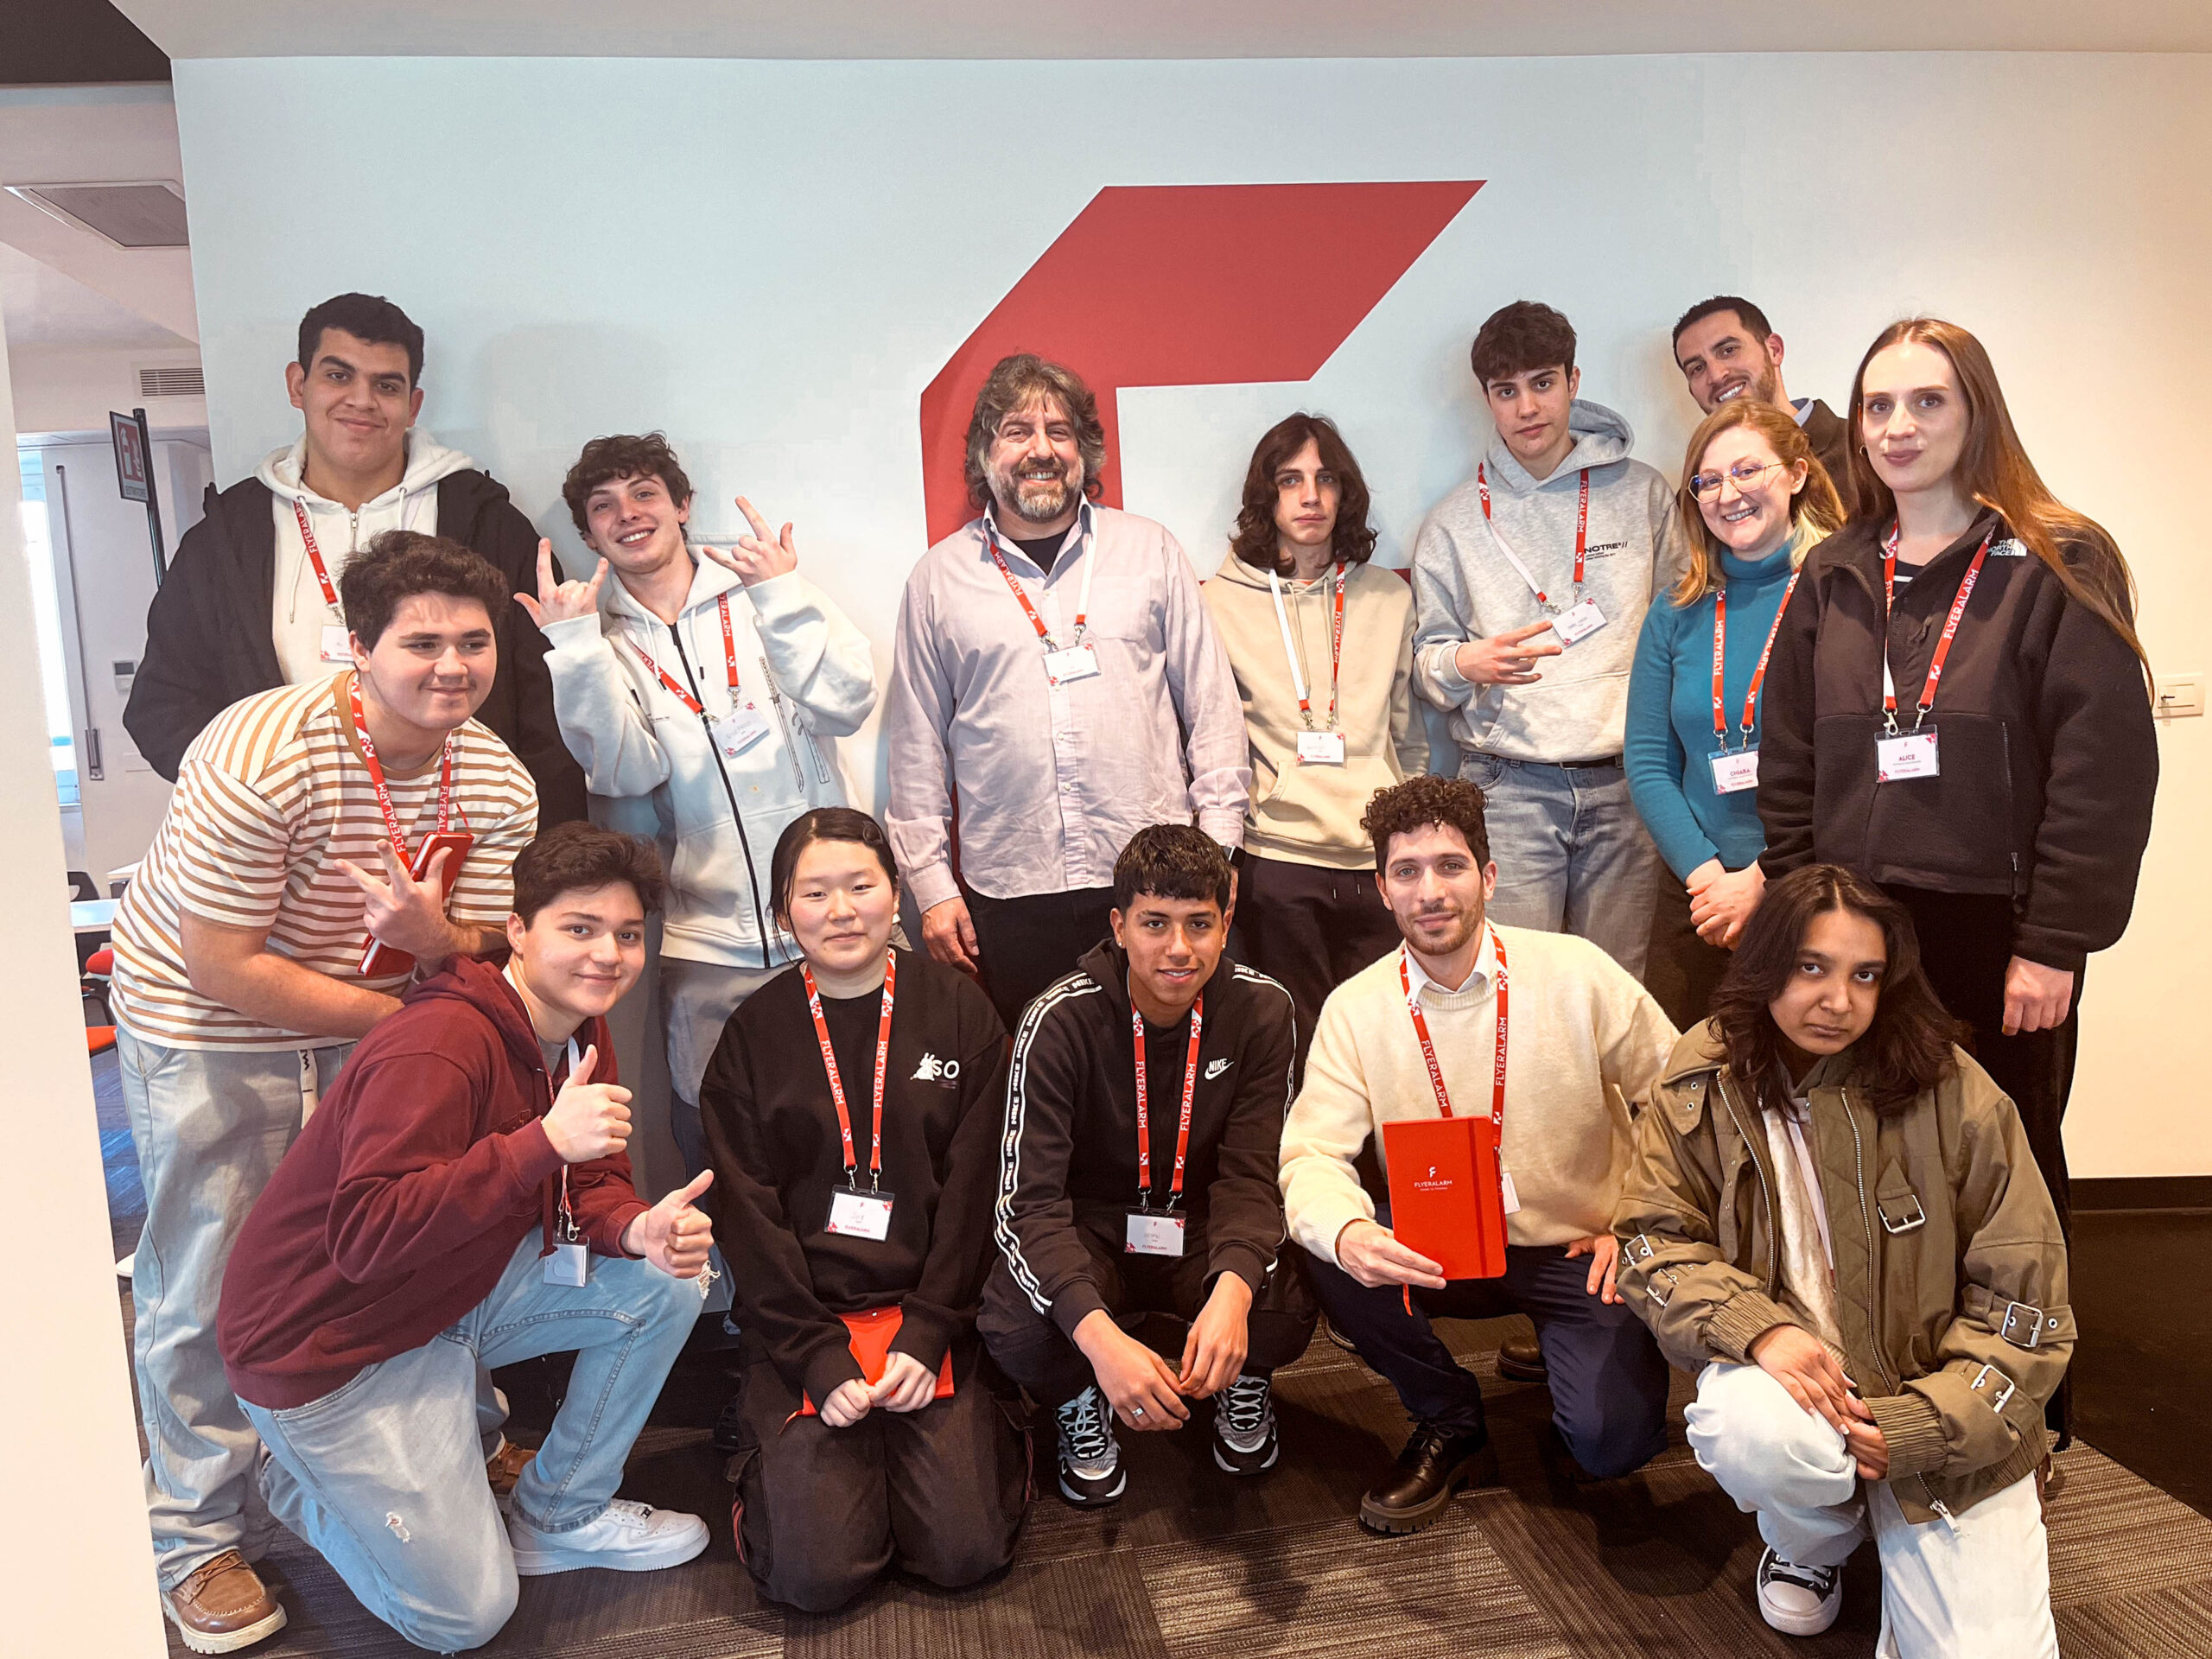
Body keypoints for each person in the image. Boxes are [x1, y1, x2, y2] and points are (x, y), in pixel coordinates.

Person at [106, 533, 541, 1651]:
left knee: (408, 1239)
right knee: (208, 1275)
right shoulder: (264, 752)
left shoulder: (495, 777)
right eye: (422, 642)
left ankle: (452, 1440)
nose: (452, 665)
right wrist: (413, 1032)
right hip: (212, 1027)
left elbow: (487, 943)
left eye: (474, 641)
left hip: (378, 1021)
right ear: (356, 646)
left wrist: (436, 953)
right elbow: (223, 964)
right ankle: (195, 1536)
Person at [218, 823, 715, 1653]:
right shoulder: (441, 1042)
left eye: (628, 935)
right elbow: (366, 1237)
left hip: (444, 1298)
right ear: (518, 931)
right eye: (580, 928)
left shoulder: (577, 1028)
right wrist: (539, 1145)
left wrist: (638, 1229)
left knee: (672, 1279)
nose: (608, 955)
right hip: (327, 1347)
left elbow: (590, 1181)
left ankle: (559, 1516)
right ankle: (298, 1480)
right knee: (465, 1617)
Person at [1756, 317, 2158, 1252]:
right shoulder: (1833, 572)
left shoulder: (2058, 559)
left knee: (2006, 1168)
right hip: (1856, 925)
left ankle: (2025, 1350)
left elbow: (2101, 772)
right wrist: (1802, 915)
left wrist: (2053, 943)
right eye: (1878, 406)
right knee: (1867, 1160)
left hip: (1997, 929)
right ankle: (1892, 1344)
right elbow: (1788, 760)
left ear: (1977, 412)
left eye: (1927, 401)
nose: (1898, 426)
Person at [1613, 864, 2069, 1651]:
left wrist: (1930, 1425)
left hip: (1936, 1396)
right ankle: (1816, 1537)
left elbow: (2026, 1302)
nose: (1838, 1001)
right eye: (1811, 967)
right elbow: (1652, 1239)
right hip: (1802, 1388)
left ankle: (1930, 1504)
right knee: (1745, 1428)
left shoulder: (1954, 1088)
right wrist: (1756, 1328)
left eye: (1865, 975)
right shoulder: (1704, 1074)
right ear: (1765, 965)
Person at [1279, 775, 1677, 1535]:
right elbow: (1311, 1155)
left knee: (1610, 1446)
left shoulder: (1576, 971)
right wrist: (1348, 1231)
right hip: (1439, 1245)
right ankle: (1450, 1418)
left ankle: (1563, 1361)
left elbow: (1684, 1103)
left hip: (1577, 1246)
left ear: (1488, 877)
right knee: (1325, 1246)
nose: (1430, 891)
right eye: (1406, 872)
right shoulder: (1355, 1008)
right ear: (1383, 890)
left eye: (1450, 866)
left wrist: (1637, 1223)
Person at [702, 808, 1025, 1611]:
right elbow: (748, 1220)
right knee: (814, 1576)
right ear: (784, 914)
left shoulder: (961, 1012)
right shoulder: (751, 1037)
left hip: (931, 1315)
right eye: (814, 893)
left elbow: (977, 1195)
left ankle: (951, 1450)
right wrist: (814, 1354)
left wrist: (930, 1327)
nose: (841, 911)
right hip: (806, 1322)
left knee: (964, 1551)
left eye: (861, 886)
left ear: (896, 895)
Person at [526, 432, 878, 1171]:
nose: (628, 514)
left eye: (644, 493)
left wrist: (779, 597)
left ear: (682, 505)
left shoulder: (764, 589)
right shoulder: (597, 639)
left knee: (871, 1126)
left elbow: (845, 701)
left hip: (835, 915)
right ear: (588, 535)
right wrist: (576, 650)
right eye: (604, 506)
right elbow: (622, 772)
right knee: (724, 1148)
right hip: (706, 942)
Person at [886, 353, 1251, 1033]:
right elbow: (916, 748)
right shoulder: (937, 580)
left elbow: (1213, 712)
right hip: (1010, 891)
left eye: (1059, 432)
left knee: (1159, 1069)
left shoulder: (1151, 552)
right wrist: (932, 888)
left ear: (1084, 450)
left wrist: (1219, 852)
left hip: (1156, 883)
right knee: (1038, 1072)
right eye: (1017, 431)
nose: (1042, 450)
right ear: (985, 453)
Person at [124, 291, 585, 823]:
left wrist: (538, 841)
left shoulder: (488, 526)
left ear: (413, 405)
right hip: (286, 837)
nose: (362, 401)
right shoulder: (226, 538)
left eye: (386, 385)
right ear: (298, 385)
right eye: (339, 376)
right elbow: (164, 701)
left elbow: (549, 702)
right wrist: (244, 794)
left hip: (459, 830)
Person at [980, 824, 1316, 1506]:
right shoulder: (1058, 1019)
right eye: (1155, 923)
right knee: (1015, 1326)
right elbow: (1028, 1204)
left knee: (1284, 1305)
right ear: (1119, 926)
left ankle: (1238, 1375)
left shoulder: (1263, 1008)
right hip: (1094, 1228)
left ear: (1226, 925)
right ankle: (1081, 1396)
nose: (1179, 948)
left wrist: (1234, 1295)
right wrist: (1098, 1341)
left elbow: (1252, 1174)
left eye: (1200, 924)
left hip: (1199, 1224)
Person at [1411, 300, 1687, 979]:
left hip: (1630, 781)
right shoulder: (1452, 521)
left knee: (1616, 986)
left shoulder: (1643, 493)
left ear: (1573, 381)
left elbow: (1683, 624)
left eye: (1543, 383)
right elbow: (1427, 667)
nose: (1527, 407)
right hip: (1509, 787)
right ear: (1488, 400)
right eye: (1506, 391)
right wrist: (1466, 662)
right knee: (1520, 986)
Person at [1201, 412, 1425, 1081]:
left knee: (1388, 1049)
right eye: (1290, 480)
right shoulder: (1218, 602)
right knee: (1294, 1054)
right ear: (1265, 495)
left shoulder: (1387, 597)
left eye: (1326, 480)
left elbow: (1408, 734)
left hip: (1376, 859)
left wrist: (1411, 841)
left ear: (1345, 492)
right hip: (1280, 861)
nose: (1310, 497)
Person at [1626, 397, 1845, 1030]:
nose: (1729, 494)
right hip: (1696, 897)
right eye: (1709, 481)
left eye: (1748, 471)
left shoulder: (1841, 595)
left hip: (1806, 886)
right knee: (1685, 1077)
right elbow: (1648, 760)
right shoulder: (1677, 608)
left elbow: (1847, 763)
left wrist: (1761, 880)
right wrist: (1707, 879)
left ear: (1797, 474)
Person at [1671, 296, 1853, 487]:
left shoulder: (1859, 450)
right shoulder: (1697, 490)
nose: (1716, 375)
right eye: (1697, 368)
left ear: (1774, 350)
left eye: (1728, 350)